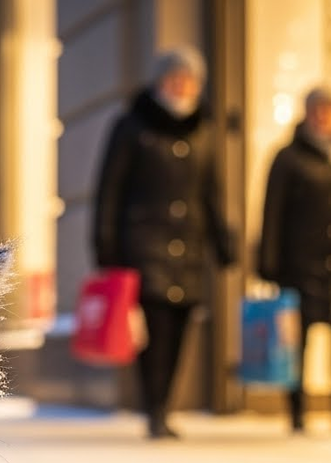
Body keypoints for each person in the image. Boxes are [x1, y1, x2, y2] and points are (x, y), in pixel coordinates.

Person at [93, 46, 236, 440]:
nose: (181, 85)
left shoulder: (204, 132)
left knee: (180, 329)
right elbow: (110, 191)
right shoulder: (132, 126)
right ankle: (155, 409)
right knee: (154, 331)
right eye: (174, 78)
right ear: (159, 81)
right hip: (143, 246)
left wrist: (223, 242)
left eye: (189, 79)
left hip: (188, 248)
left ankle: (164, 404)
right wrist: (106, 247)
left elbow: (212, 194)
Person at [258, 86, 331, 432]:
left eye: (329, 109)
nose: (324, 116)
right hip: (301, 263)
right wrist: (268, 263)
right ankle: (296, 411)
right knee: (296, 340)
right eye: (317, 109)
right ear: (306, 114)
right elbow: (272, 212)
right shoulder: (289, 158)